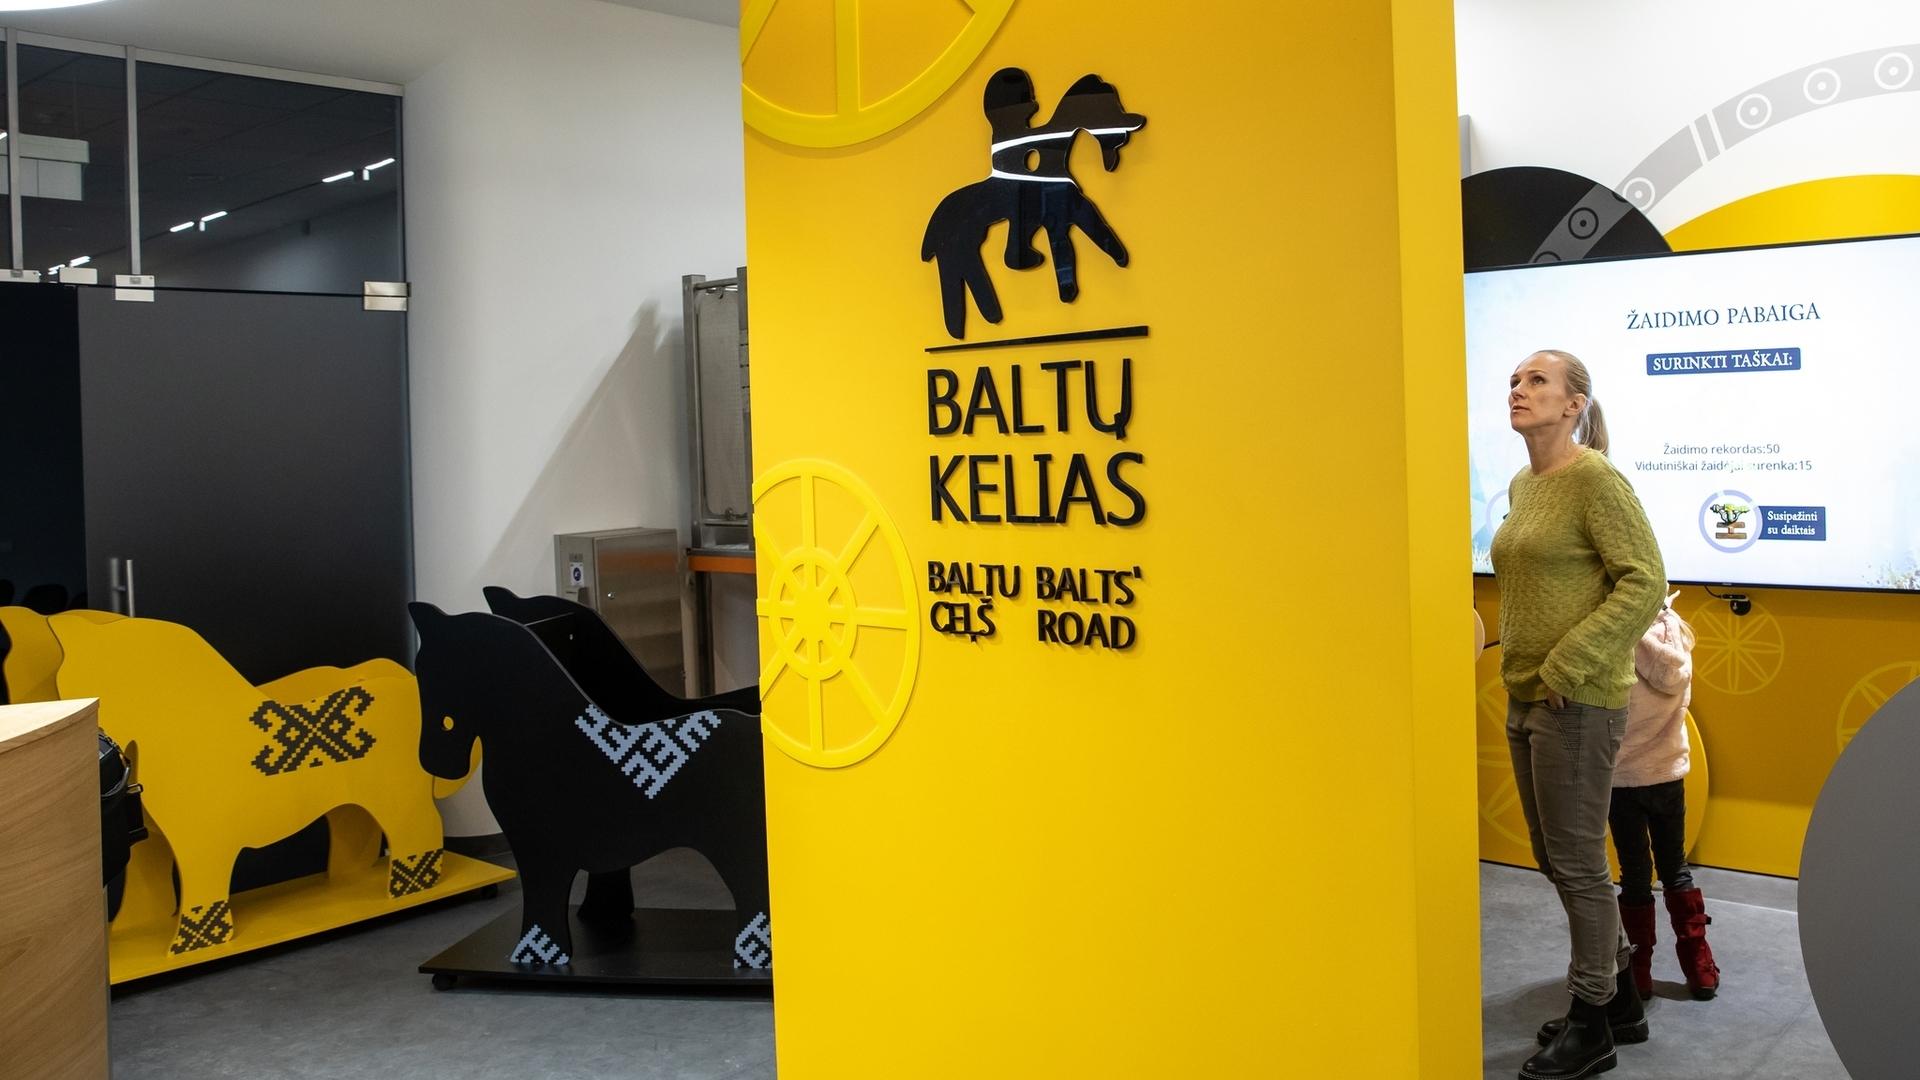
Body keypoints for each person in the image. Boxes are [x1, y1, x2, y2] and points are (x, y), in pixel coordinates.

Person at [1492, 349, 1666, 1080]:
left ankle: (1592, 1022)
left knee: (1579, 865)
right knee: (1553, 856)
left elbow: (1646, 580)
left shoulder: (1596, 479)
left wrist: (1569, 662)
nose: (1518, 389)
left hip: (1578, 699)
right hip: (1526, 695)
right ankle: (1620, 996)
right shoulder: (1524, 483)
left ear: (1574, 405)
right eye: (1515, 380)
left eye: (1537, 380)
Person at [1610, 593, 1720, 1002]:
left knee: (1635, 873)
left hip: (1621, 779)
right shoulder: (1676, 633)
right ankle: (1699, 966)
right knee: (1676, 867)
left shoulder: (1614, 634)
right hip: (1667, 773)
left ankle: (1638, 973)